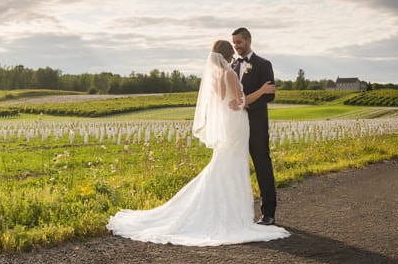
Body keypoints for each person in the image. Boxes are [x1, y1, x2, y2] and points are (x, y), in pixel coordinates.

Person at [106, 40, 289, 246]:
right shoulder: (229, 73)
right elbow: (241, 101)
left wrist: (239, 99)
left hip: (232, 122)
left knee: (226, 165)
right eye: (233, 46)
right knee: (232, 166)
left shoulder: (218, 75)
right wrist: (262, 90)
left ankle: (230, 211)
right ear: (228, 55)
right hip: (237, 123)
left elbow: (225, 100)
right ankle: (231, 214)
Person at [231, 27, 277, 225]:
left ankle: (268, 213)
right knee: (236, 169)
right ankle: (238, 211)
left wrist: (245, 105)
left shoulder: (263, 64)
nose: (236, 47)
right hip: (237, 127)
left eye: (239, 42)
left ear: (249, 40)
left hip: (257, 125)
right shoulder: (232, 66)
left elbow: (270, 95)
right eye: (234, 43)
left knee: (262, 167)